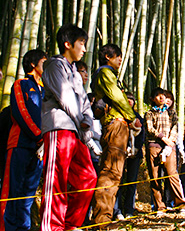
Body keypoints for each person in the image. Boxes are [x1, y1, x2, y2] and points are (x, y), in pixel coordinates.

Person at [40, 24, 97, 230]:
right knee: (56, 179)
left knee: (87, 177)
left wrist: (87, 123)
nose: (83, 48)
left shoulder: (75, 71)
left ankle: (70, 223)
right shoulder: (55, 66)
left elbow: (84, 103)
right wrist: (83, 124)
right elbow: (66, 99)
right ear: (67, 44)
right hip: (59, 128)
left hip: (76, 132)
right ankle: (52, 226)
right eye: (81, 43)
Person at [91, 44, 141, 225]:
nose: (120, 59)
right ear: (107, 57)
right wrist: (131, 116)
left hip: (115, 125)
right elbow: (117, 96)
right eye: (117, 56)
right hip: (116, 125)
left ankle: (103, 217)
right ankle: (102, 220)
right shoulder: (106, 73)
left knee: (113, 172)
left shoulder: (108, 74)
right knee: (111, 172)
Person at [0, 50, 47, 230]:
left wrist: (44, 141)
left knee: (28, 195)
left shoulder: (46, 90)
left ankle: (23, 228)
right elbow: (21, 112)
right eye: (44, 62)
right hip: (20, 144)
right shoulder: (22, 84)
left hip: (39, 149)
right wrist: (38, 136)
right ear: (33, 64)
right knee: (13, 191)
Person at [144, 87, 185, 215]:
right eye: (157, 95)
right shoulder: (149, 113)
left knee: (172, 174)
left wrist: (170, 141)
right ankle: (160, 207)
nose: (161, 97)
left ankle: (181, 204)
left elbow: (175, 127)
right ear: (153, 99)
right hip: (154, 146)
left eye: (162, 95)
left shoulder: (171, 113)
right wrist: (163, 138)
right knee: (155, 177)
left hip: (169, 147)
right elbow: (150, 128)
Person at [113, 92, 145, 220]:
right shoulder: (119, 116)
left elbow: (142, 135)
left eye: (132, 99)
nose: (130, 101)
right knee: (118, 181)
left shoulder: (137, 117)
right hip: (120, 152)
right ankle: (117, 210)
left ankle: (129, 210)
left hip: (135, 153)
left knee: (131, 182)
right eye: (127, 99)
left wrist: (136, 148)